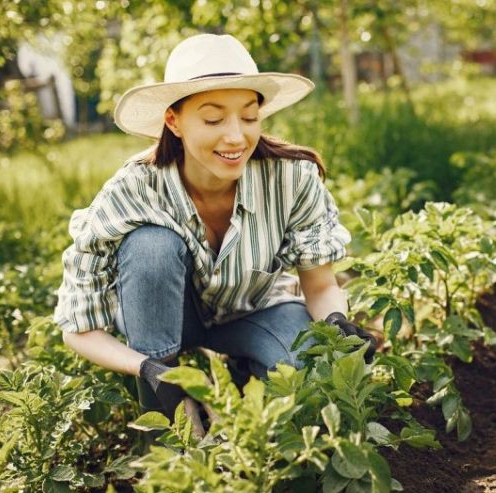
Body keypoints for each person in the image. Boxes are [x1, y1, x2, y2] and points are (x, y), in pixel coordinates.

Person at [54, 33, 375, 422]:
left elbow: (321, 286)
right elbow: (78, 327)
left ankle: (243, 380)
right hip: (161, 320)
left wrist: (337, 324)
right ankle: (170, 415)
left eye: (249, 116)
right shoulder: (135, 189)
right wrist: (148, 368)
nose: (236, 136)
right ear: (173, 121)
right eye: (213, 118)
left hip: (253, 310)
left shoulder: (292, 179)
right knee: (150, 246)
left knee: (309, 377)